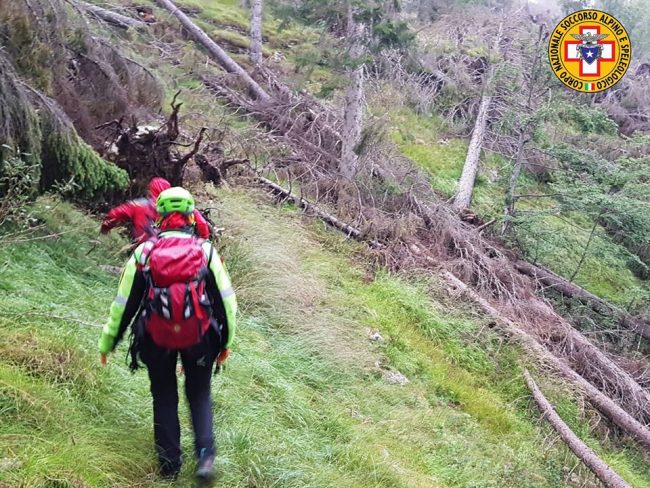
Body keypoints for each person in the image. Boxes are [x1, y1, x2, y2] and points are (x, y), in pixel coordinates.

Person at [98, 187, 236, 480]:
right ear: (190, 215)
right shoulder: (206, 251)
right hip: (200, 337)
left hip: (155, 336)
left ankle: (169, 467)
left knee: (163, 395)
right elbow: (227, 303)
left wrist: (108, 341)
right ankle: (205, 460)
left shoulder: (144, 252)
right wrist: (225, 342)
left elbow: (125, 304)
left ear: (159, 215)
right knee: (199, 394)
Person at [101, 177, 212, 244]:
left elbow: (115, 214)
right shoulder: (182, 206)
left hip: (143, 248)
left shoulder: (138, 205)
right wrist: (203, 240)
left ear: (150, 190)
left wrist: (105, 228)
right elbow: (202, 223)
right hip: (176, 247)